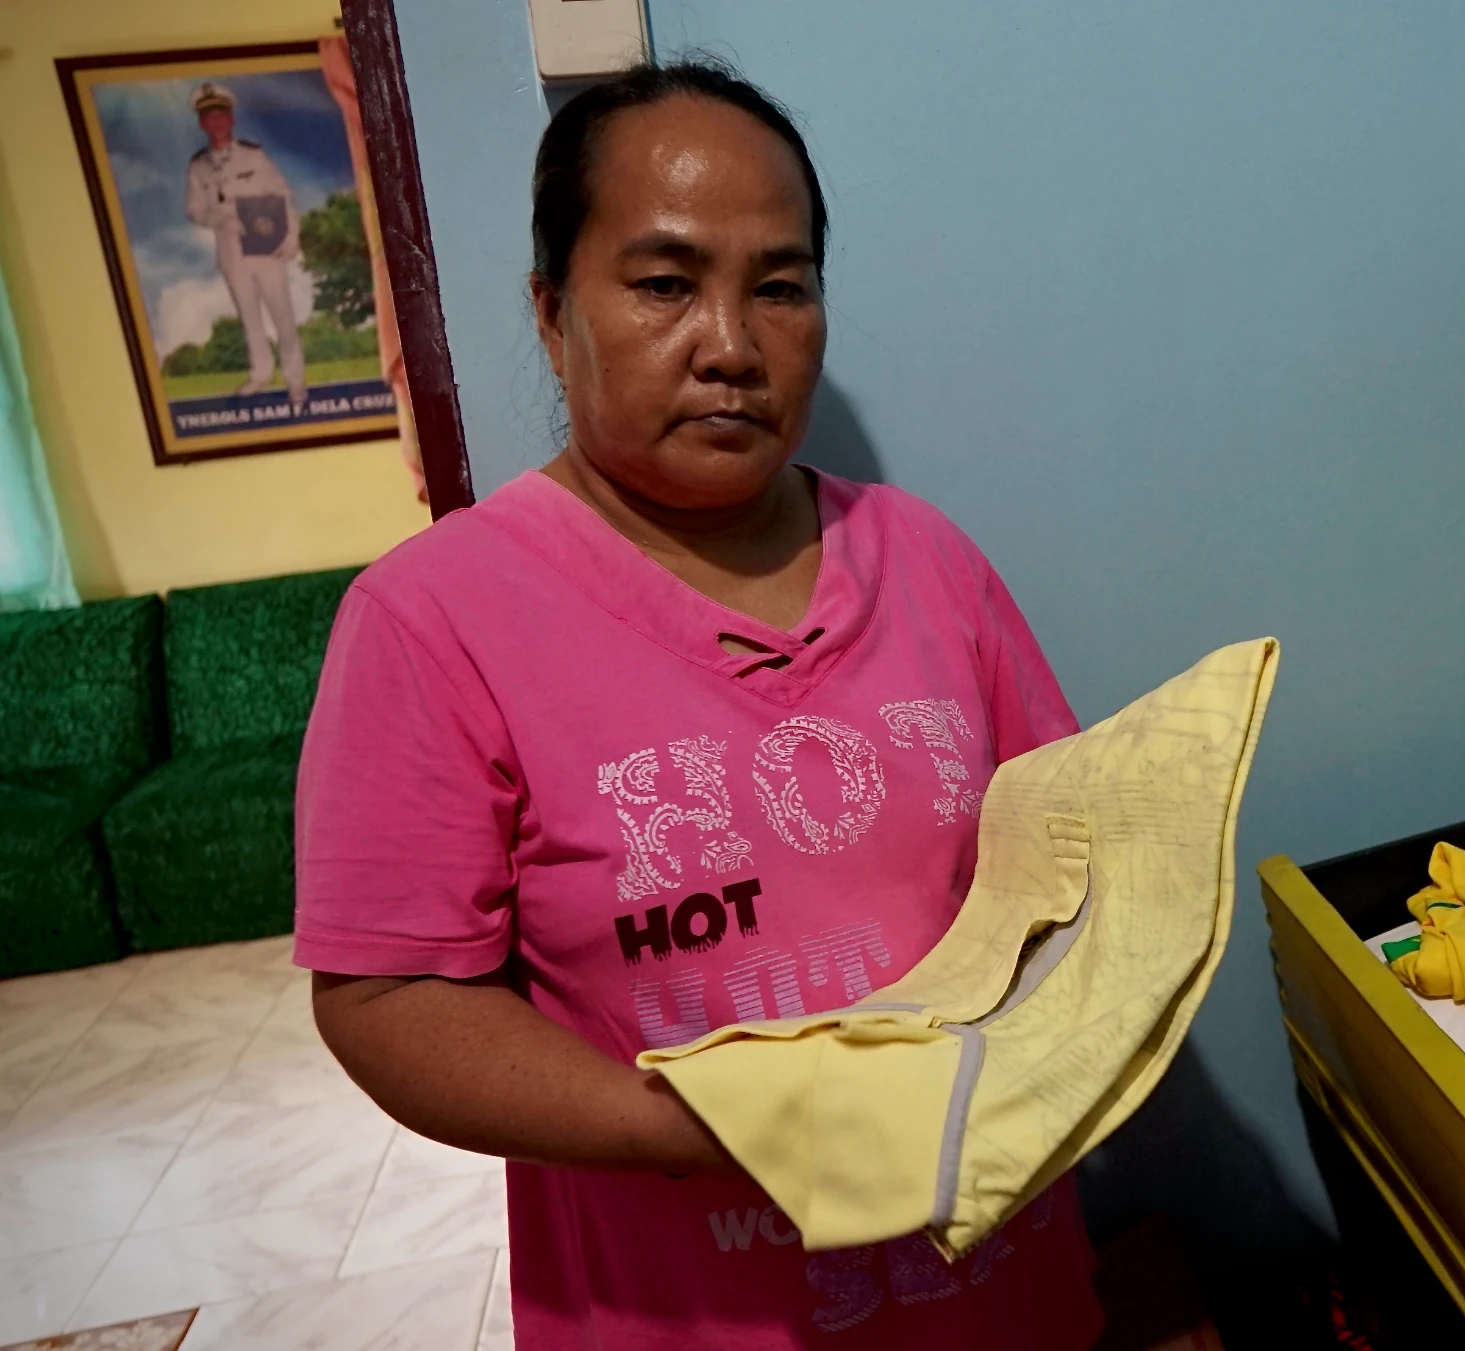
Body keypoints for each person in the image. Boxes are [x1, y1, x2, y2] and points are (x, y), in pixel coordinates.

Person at [295, 62, 1104, 1350]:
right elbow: (388, 1001)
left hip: (1008, 1289)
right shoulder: (434, 618)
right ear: (553, 306)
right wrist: (713, 1132)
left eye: (779, 286)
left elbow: (1070, 851)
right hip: (686, 1311)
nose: (730, 344)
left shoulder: (928, 559)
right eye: (665, 283)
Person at [183, 81, 308, 406]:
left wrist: (292, 236)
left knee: (282, 314)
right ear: (201, 124)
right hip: (231, 252)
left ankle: (295, 379)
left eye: (221, 116)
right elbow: (195, 211)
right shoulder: (198, 167)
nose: (216, 123)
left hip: (266, 250)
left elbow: (283, 195)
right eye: (209, 117)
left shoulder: (253, 155)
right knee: (249, 317)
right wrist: (220, 218)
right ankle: (261, 374)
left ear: (231, 120)